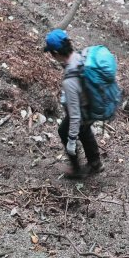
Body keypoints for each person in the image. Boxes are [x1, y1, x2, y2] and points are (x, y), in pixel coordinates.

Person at [43, 28, 104, 180]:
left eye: (51, 53)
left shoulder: (70, 80)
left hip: (82, 111)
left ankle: (76, 169)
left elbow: (75, 115)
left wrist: (71, 141)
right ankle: (95, 162)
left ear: (56, 53)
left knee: (64, 130)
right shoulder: (80, 57)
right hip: (92, 105)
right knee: (85, 131)